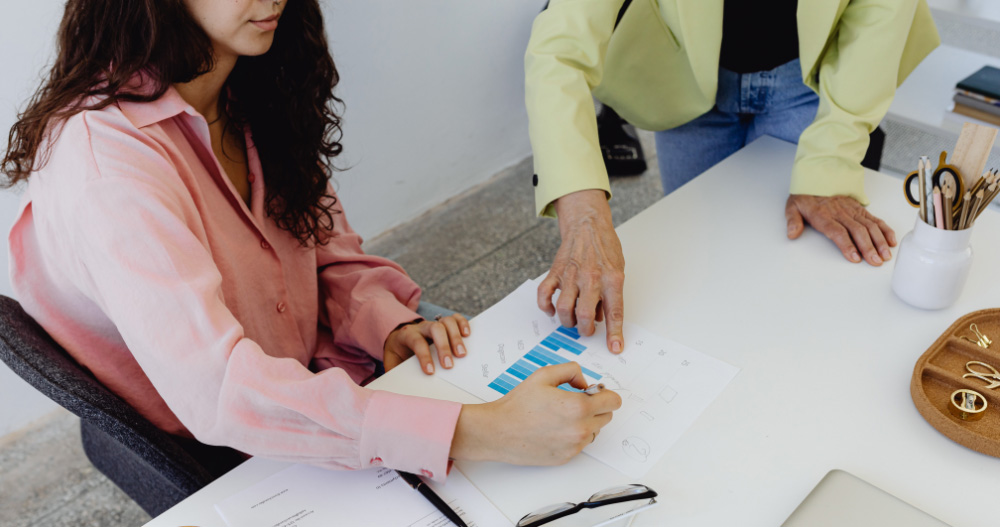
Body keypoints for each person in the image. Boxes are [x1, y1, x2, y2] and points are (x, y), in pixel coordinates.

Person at [3, 0, 621, 480]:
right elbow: (222, 388)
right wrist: (481, 431)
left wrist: (384, 322)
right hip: (238, 441)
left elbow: (326, 248)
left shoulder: (251, 87)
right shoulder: (107, 166)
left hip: (316, 379)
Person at [525, 0, 940, 353]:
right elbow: (558, 50)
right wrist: (583, 213)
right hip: (680, 76)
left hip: (812, 74)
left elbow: (881, 13)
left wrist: (829, 162)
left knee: (800, 276)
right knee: (697, 267)